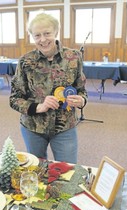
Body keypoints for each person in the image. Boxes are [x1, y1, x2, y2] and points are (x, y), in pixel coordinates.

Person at [9, 13, 87, 164]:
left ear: (56, 32)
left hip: (65, 127)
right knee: (36, 170)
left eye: (47, 33)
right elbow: (14, 99)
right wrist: (38, 107)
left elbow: (81, 90)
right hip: (33, 128)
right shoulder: (25, 61)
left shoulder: (74, 57)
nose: (43, 39)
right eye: (37, 35)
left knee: (67, 171)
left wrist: (81, 100)